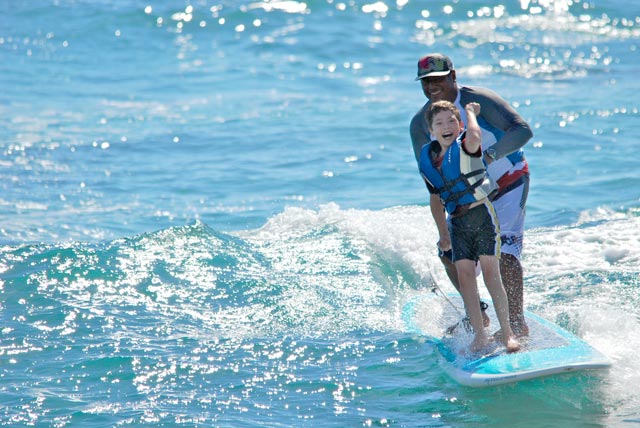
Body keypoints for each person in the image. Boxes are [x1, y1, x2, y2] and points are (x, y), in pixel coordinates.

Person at [410, 53, 533, 337]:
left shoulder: (478, 101)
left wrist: (486, 158)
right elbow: (430, 177)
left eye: (438, 79)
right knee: (448, 253)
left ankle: (515, 323)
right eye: (426, 82)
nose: (431, 87)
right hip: (465, 198)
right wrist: (443, 227)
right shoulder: (420, 124)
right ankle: (477, 315)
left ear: (453, 76)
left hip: (508, 182)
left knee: (505, 254)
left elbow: (522, 130)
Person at [419, 100, 520, 353]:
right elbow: (435, 200)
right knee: (465, 278)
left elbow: (474, 135)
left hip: (482, 216)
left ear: (460, 125)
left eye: (452, 121)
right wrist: (443, 233)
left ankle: (508, 334)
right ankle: (479, 336)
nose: (446, 126)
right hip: (457, 222)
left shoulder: (466, 145)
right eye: (439, 123)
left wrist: (472, 113)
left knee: (490, 274)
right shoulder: (430, 160)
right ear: (431, 132)